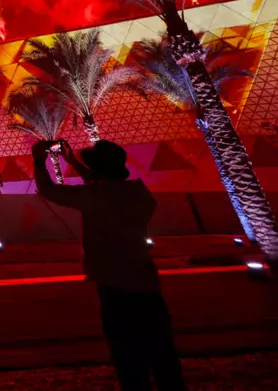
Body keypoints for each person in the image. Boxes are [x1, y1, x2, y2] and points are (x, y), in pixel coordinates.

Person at [33, 138, 186, 391]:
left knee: (127, 355)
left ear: (98, 170)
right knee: (162, 351)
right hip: (146, 281)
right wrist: (74, 164)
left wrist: (39, 161)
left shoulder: (95, 197)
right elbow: (104, 187)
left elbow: (50, 190)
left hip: (115, 285)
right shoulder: (139, 194)